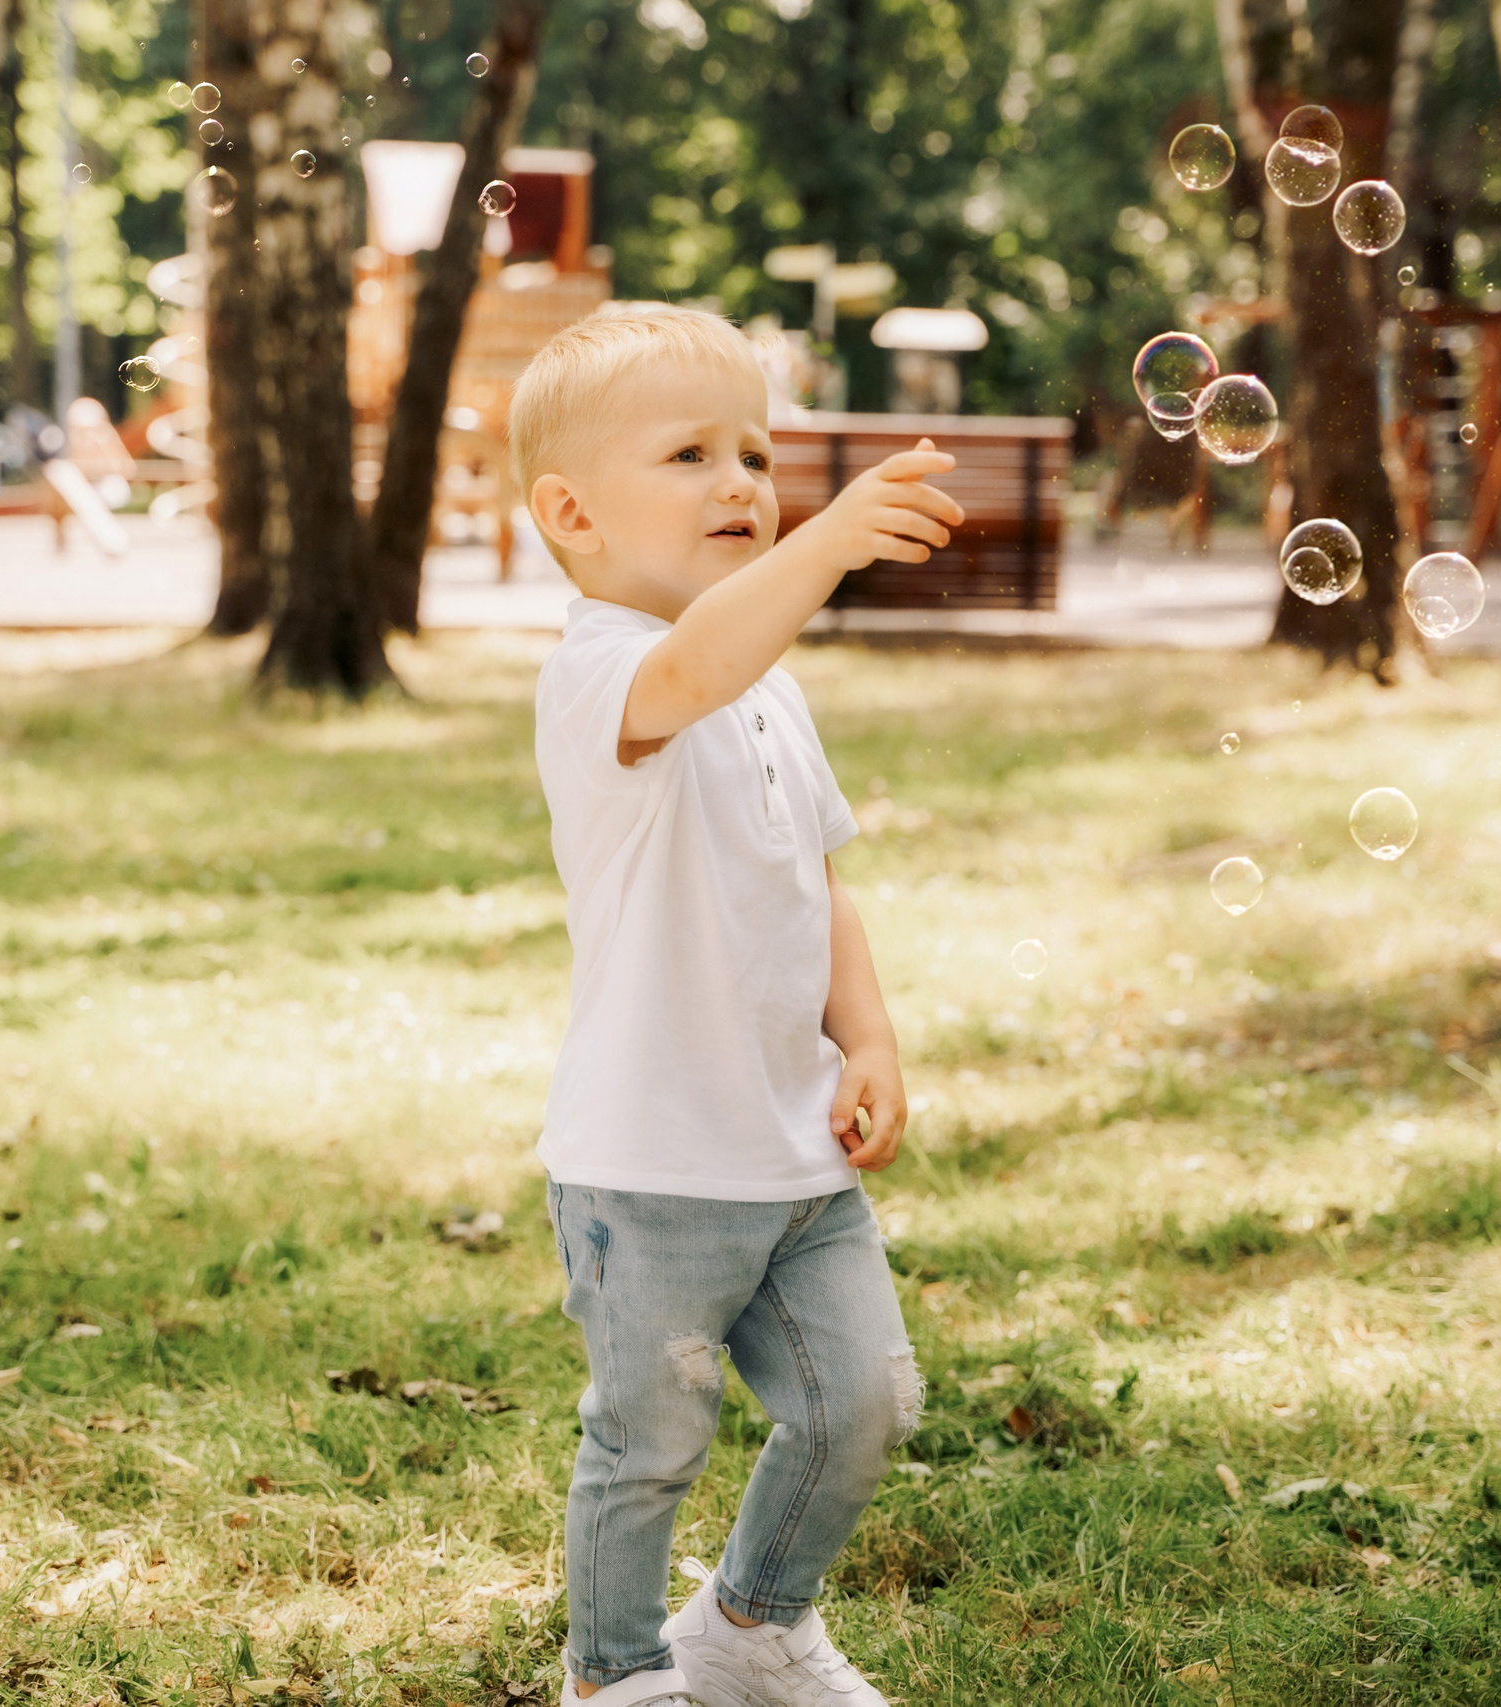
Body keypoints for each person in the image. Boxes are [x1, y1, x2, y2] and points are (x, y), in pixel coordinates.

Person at [513, 304, 965, 1707]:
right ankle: (617, 1673)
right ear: (572, 513)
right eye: (693, 453)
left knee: (867, 1403)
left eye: (758, 455)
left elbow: (819, 885)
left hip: (792, 1154)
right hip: (650, 1167)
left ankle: (753, 1628)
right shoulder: (600, 677)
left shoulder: (776, 693)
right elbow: (692, 668)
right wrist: (826, 544)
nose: (743, 486)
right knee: (648, 1441)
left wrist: (869, 1035)